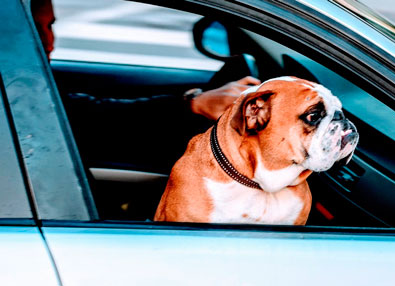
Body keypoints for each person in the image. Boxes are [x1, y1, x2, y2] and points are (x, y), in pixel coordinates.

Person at [30, 0, 260, 170]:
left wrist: (194, 101)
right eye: (32, 29)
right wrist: (194, 104)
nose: (48, 42)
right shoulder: (21, 95)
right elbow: (90, 118)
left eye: (50, 27)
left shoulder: (27, 87)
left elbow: (86, 110)